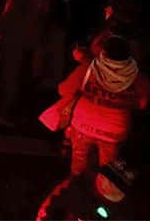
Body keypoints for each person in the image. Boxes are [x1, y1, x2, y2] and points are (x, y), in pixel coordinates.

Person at [59, 35, 150, 178]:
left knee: (79, 161)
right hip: (115, 131)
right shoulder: (139, 78)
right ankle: (102, 194)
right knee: (107, 169)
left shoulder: (89, 69)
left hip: (83, 125)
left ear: (104, 53)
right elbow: (142, 105)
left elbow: (64, 90)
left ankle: (75, 187)